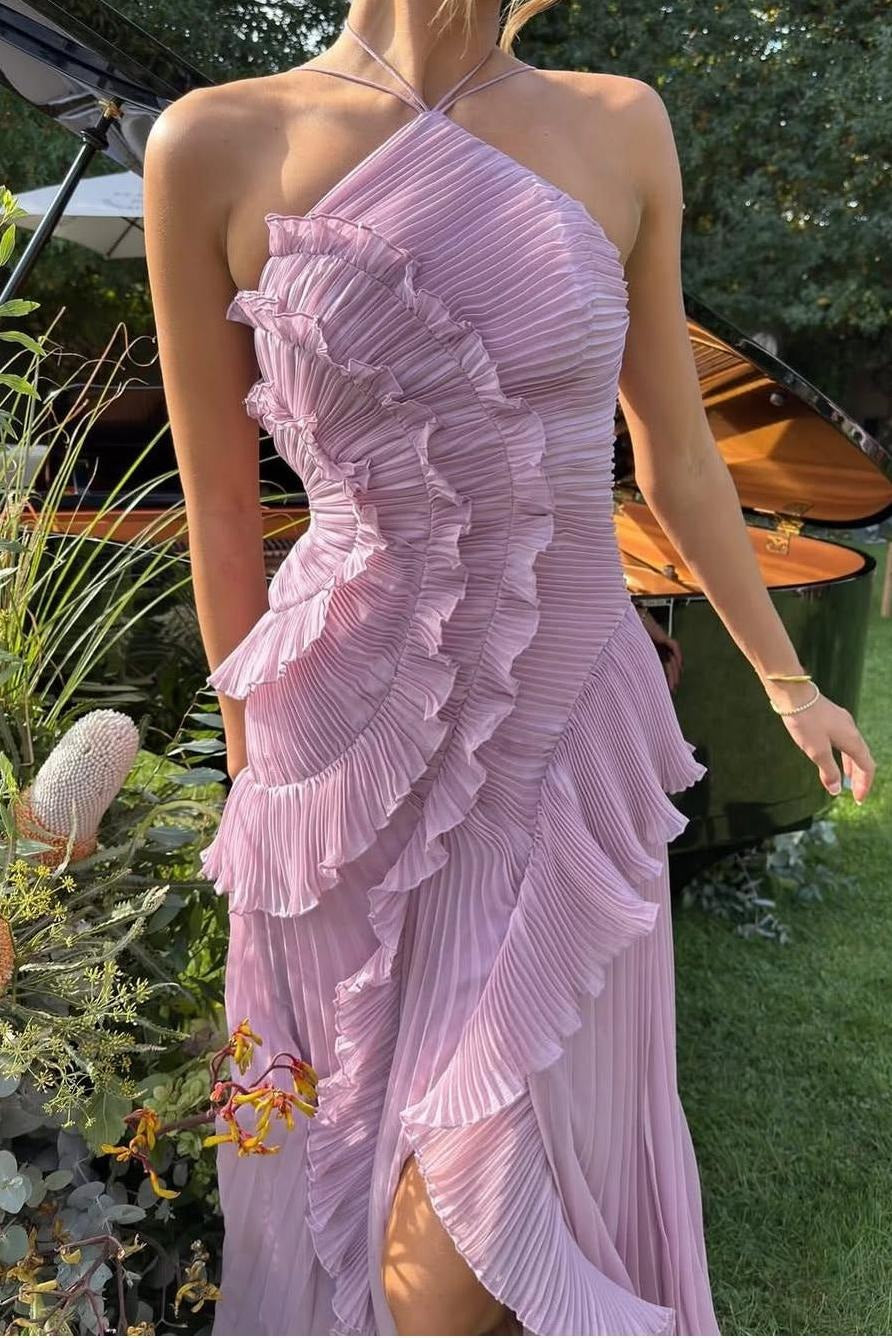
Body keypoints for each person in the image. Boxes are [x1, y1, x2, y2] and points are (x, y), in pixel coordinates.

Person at [143, 0, 876, 1333]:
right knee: (344, 1148)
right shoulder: (212, 141)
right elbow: (221, 512)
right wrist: (257, 774)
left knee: (485, 1179)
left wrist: (789, 681)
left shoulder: (619, 123)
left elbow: (680, 458)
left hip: (561, 732)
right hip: (337, 744)